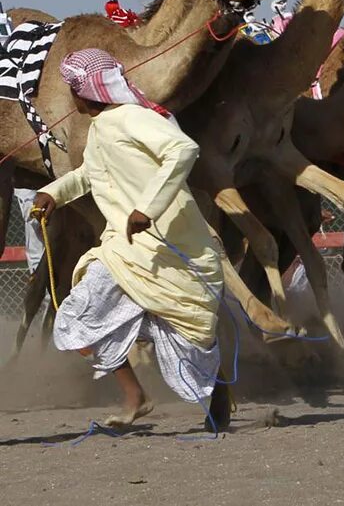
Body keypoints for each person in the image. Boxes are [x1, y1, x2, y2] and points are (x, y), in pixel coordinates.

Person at [32, 49, 229, 430]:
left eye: (72, 90)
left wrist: (149, 207)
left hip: (167, 246)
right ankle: (135, 395)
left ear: (86, 91)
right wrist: (53, 193)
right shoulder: (101, 127)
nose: (70, 100)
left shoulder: (133, 119)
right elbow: (91, 173)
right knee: (78, 316)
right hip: (121, 248)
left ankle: (217, 387)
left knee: (186, 338)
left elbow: (183, 149)